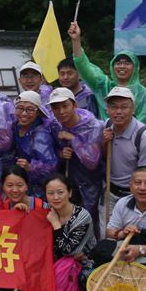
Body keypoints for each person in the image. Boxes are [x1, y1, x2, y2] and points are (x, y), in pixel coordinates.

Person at [68, 21, 146, 124]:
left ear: (135, 68)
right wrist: (76, 40)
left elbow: (144, 121)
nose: (122, 66)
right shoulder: (103, 86)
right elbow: (83, 66)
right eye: (118, 63)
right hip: (105, 133)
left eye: (127, 63)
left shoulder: (143, 94)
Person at [100, 86, 146, 229]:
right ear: (107, 109)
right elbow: (101, 157)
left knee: (127, 238)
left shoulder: (145, 136)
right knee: (106, 236)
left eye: (124, 107)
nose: (118, 111)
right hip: (109, 191)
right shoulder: (107, 125)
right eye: (114, 107)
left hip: (133, 196)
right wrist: (103, 142)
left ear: (133, 109)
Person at [37, 174, 96, 291]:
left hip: (81, 263)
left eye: (60, 192)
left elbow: (69, 251)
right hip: (53, 261)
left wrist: (56, 224)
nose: (55, 197)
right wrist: (21, 207)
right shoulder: (44, 210)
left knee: (85, 277)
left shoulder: (82, 216)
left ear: (69, 193)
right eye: (50, 193)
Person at [49, 87, 105, 219]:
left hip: (91, 182)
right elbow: (51, 151)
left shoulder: (93, 126)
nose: (61, 111)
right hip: (68, 181)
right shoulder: (55, 125)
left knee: (90, 218)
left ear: (75, 105)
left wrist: (74, 139)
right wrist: (61, 154)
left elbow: (92, 161)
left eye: (65, 106)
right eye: (56, 108)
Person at [9, 91, 57, 197]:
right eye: (20, 108)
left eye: (30, 109)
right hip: (20, 185)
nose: (24, 113)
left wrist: (31, 167)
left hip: (39, 191)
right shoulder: (15, 127)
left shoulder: (41, 135)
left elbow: (51, 167)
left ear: (38, 112)